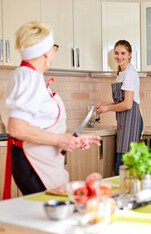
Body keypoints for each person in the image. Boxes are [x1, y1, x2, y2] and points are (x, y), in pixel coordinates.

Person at [1, 21, 101, 200]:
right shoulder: (29, 77)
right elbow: (17, 128)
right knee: (48, 213)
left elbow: (40, 124)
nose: (55, 52)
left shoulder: (28, 75)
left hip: (41, 160)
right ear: (46, 52)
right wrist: (60, 139)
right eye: (54, 47)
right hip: (34, 162)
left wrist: (68, 140)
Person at [96, 40, 142, 176]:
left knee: (122, 166)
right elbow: (123, 100)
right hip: (124, 122)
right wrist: (108, 105)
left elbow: (128, 104)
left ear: (130, 55)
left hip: (131, 121)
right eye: (116, 53)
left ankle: (123, 194)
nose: (119, 56)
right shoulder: (122, 73)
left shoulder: (130, 73)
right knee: (123, 164)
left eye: (123, 53)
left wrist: (108, 109)